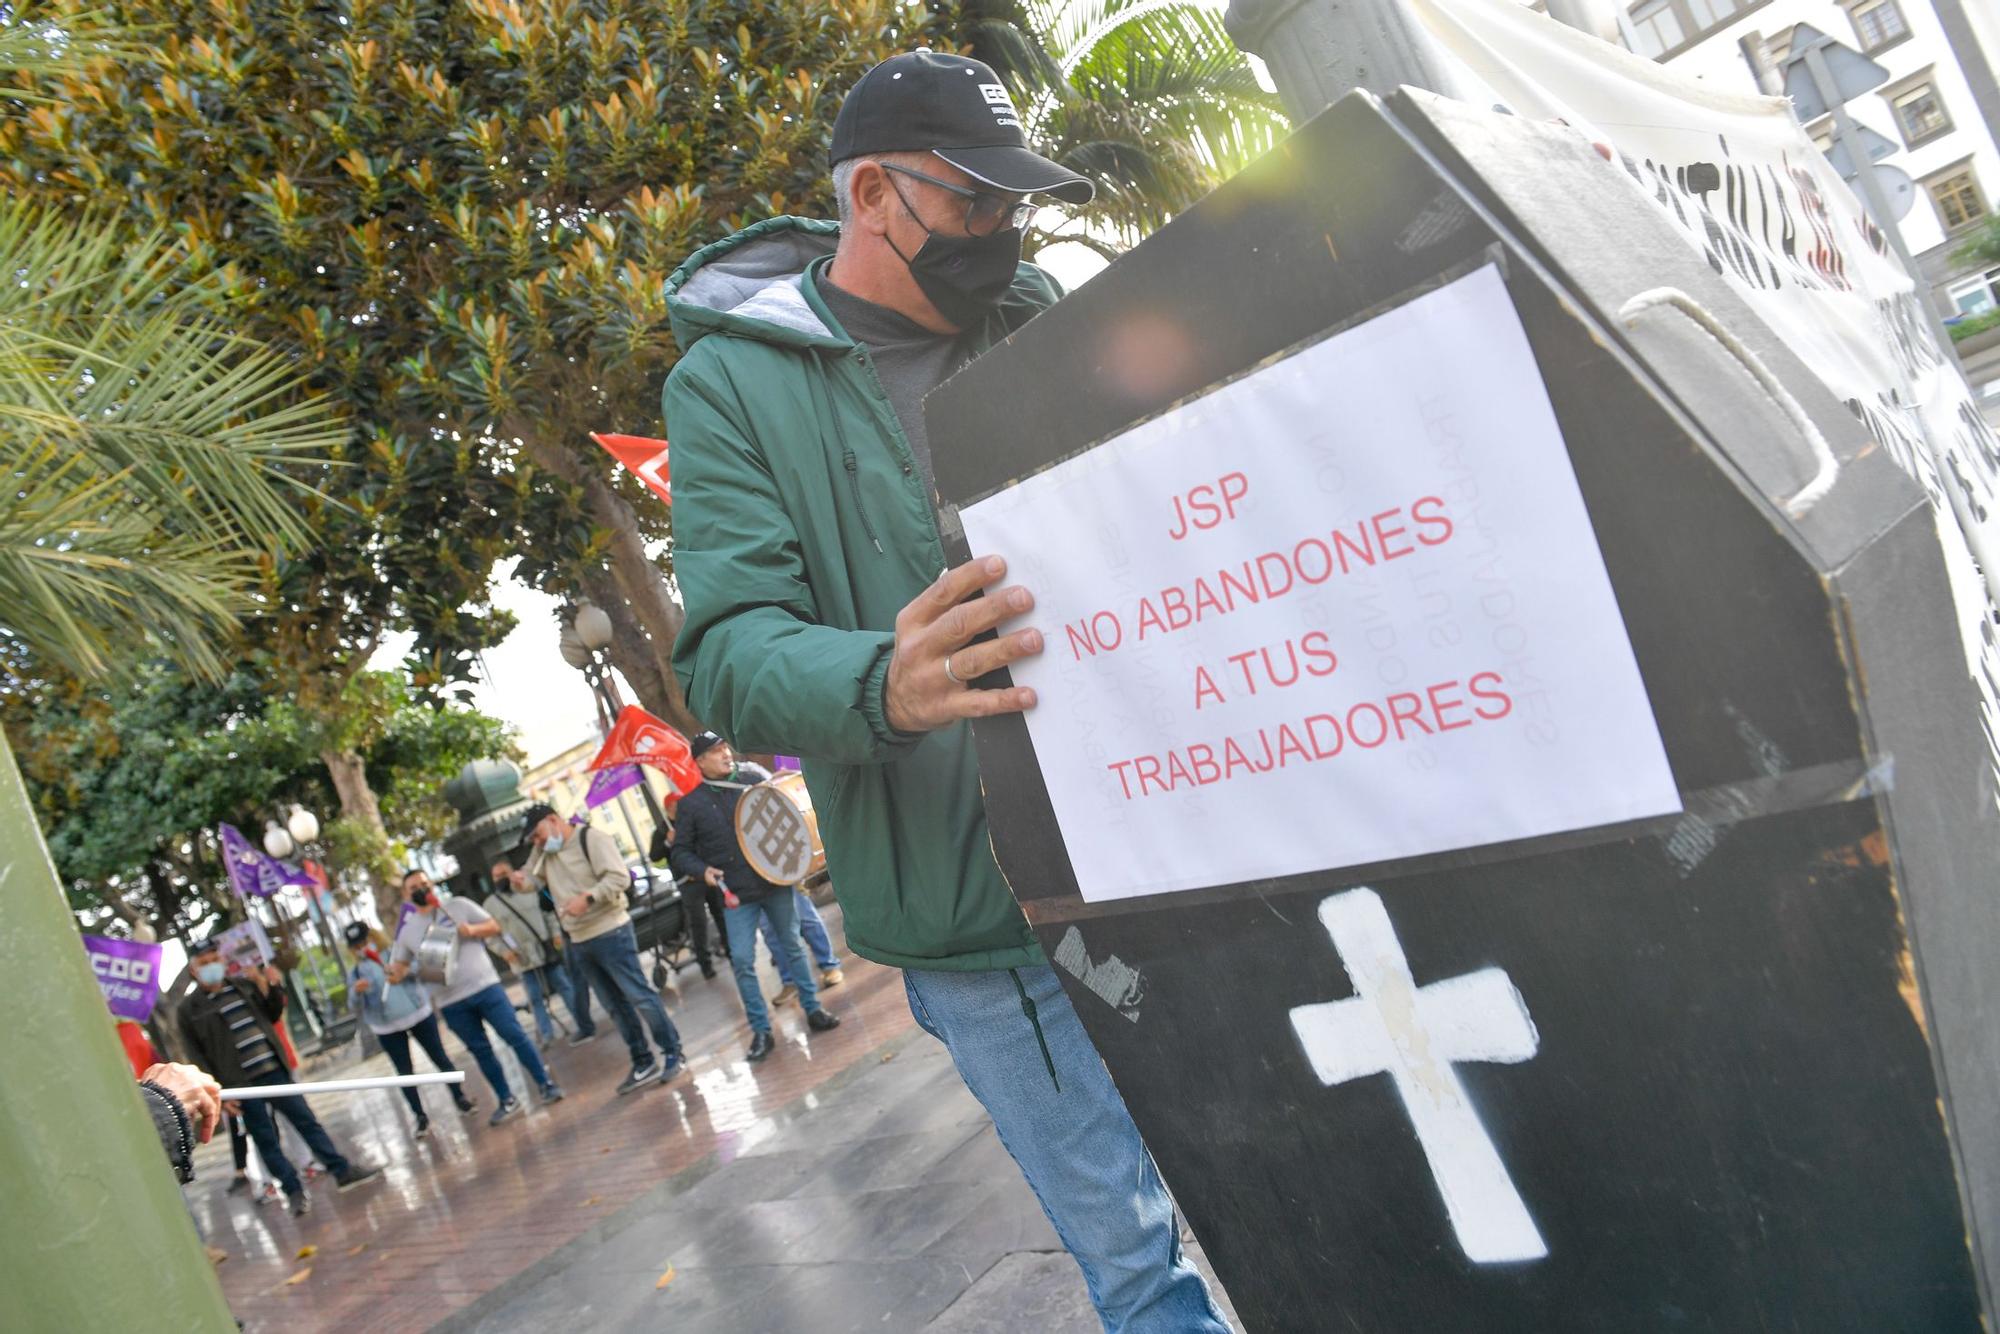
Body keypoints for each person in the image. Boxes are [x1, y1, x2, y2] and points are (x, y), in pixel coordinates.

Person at [663, 49, 1227, 1328]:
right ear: (871, 194)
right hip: (982, 912)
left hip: (1178, 837)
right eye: (968, 199)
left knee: (1296, 1184)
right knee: (1140, 1265)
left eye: (1008, 202)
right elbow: (729, 650)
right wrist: (884, 680)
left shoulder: (1037, 313)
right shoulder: (730, 385)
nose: (997, 227)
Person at [668, 732, 841, 1062]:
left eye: (724, 747)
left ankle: (813, 1009)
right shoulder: (691, 803)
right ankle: (761, 1031)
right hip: (736, 895)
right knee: (744, 961)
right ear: (700, 761)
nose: (725, 754)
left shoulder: (752, 777)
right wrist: (702, 869)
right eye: (716, 751)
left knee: (792, 946)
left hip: (775, 882)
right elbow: (680, 852)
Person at [178, 939, 382, 1216]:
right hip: (240, 1086)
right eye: (204, 963)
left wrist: (270, 985)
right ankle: (293, 1191)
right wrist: (219, 1095)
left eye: (215, 959)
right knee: (266, 1140)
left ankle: (342, 1170)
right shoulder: (188, 1010)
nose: (212, 966)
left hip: (273, 1070)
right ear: (194, 970)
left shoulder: (244, 985)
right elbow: (197, 1057)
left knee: (306, 1121)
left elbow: (272, 1013)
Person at [523, 804, 686, 1093]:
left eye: (537, 835)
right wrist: (530, 860)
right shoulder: (543, 854)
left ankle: (673, 1051)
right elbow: (529, 884)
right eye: (533, 840)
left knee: (639, 995)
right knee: (613, 1005)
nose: (537, 842)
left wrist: (587, 898)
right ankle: (642, 1060)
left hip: (611, 929)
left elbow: (619, 878)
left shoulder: (592, 839)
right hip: (579, 939)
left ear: (552, 820)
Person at [387, 870, 564, 1125]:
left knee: (514, 1035)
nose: (421, 889)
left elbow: (494, 926)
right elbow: (402, 964)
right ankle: (506, 1098)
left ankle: (545, 1084)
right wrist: (395, 973)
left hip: (485, 987)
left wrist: (472, 930)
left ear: (432, 885)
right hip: (450, 1002)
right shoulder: (407, 931)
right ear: (406, 894)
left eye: (424, 884)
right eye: (414, 887)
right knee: (480, 1051)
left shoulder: (458, 906)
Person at [344, 919, 475, 1134]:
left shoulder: (396, 953)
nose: (362, 948)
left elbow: (422, 968)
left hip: (418, 1013)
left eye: (364, 941)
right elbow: (354, 1007)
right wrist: (356, 992)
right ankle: (420, 1116)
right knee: (405, 1072)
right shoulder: (356, 972)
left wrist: (404, 971)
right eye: (356, 946)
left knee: (439, 1057)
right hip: (386, 1026)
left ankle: (460, 1097)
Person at [488, 860, 594, 1041]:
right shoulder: (490, 904)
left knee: (564, 986)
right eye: (496, 876)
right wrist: (503, 951)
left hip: (545, 949)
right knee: (534, 996)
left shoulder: (528, 891)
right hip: (522, 958)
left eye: (503, 874)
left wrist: (556, 935)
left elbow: (548, 914)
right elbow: (490, 934)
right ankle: (546, 1034)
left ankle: (583, 1022)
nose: (500, 879)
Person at [646, 820, 723, 978]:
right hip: (687, 882)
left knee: (720, 914)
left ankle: (730, 950)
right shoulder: (662, 831)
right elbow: (655, 855)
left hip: (705, 875)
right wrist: (667, 842)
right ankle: (705, 963)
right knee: (698, 923)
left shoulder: (690, 820)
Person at [765, 888, 844, 1006]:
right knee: (770, 932)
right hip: (748, 884)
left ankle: (829, 965)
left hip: (780, 875)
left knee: (806, 917)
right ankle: (789, 982)